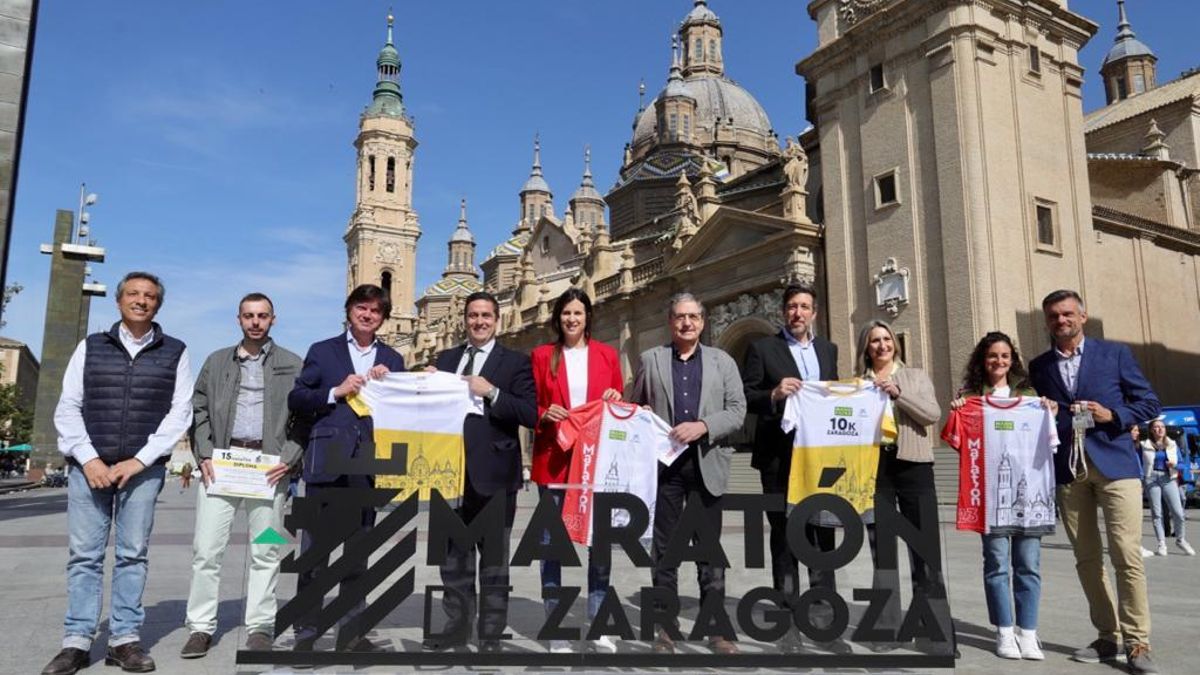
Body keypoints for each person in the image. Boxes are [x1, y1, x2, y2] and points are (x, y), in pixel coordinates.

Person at [42, 272, 193, 675]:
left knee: (132, 556)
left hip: (141, 472)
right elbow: (68, 405)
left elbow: (179, 414)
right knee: (85, 557)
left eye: (149, 296)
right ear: (119, 300)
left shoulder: (175, 351)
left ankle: (124, 640)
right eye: (133, 294)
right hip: (87, 469)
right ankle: (75, 642)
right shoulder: (90, 347)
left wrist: (139, 460)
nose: (141, 301)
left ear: (158, 304)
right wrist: (89, 459)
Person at [1029, 289, 1161, 674]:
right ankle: (1107, 635)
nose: (1061, 321)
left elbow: (1148, 402)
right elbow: (1031, 411)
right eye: (1053, 316)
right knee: (1086, 559)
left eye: (1067, 314)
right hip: (1070, 471)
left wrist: (1112, 415)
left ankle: (1138, 642)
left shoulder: (1114, 354)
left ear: (1082, 317)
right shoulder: (1040, 367)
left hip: (1116, 465)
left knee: (1126, 554)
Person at [180, 293, 303, 658]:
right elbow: (198, 408)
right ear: (239, 319)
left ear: (272, 320)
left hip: (267, 472)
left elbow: (304, 417)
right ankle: (200, 626)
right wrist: (203, 454)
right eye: (249, 315)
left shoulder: (291, 364)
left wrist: (290, 456)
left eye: (262, 316)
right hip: (222, 468)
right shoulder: (218, 361)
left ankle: (261, 626)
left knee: (266, 548)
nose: (255, 322)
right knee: (207, 550)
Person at [287, 284, 405, 653]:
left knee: (357, 554)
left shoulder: (394, 358)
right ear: (349, 310)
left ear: (383, 318)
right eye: (361, 308)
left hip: (367, 465)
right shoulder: (323, 351)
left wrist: (399, 383)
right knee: (315, 554)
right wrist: (334, 392)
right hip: (326, 463)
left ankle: (352, 631)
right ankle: (306, 632)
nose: (367, 315)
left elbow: (404, 410)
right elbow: (297, 398)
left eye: (375, 311)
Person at [629, 292, 747, 656]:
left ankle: (717, 630)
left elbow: (738, 411)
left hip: (707, 464)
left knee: (709, 551)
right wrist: (639, 410)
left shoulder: (722, 361)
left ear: (703, 321)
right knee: (664, 551)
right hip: (665, 470)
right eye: (680, 317)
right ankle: (665, 628)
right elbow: (632, 406)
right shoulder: (651, 359)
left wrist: (702, 426)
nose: (687, 323)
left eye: (693, 316)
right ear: (670, 321)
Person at [425, 291, 537, 652]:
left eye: (486, 316)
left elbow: (529, 413)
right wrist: (427, 384)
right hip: (449, 473)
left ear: (497, 320)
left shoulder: (515, 362)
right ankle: (457, 628)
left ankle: (490, 634)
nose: (479, 322)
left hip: (495, 475)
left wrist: (492, 392)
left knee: (494, 561)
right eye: (473, 315)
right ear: (465, 319)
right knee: (453, 561)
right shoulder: (445, 359)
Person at [740, 283, 847, 654]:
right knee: (785, 539)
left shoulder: (828, 350)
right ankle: (788, 625)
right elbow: (746, 397)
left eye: (804, 306)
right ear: (783, 312)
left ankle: (825, 623)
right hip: (778, 459)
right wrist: (773, 394)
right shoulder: (762, 349)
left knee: (822, 538)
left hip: (821, 461)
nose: (797, 313)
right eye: (791, 307)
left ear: (814, 312)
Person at [949, 331, 1057, 660]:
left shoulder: (1030, 396)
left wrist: (1048, 408)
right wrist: (958, 409)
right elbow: (957, 441)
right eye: (993, 355)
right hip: (989, 499)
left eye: (1005, 356)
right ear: (983, 360)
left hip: (1029, 495)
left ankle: (1029, 632)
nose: (999, 361)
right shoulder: (970, 397)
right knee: (996, 564)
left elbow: (1049, 434)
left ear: (1013, 360)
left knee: (1029, 565)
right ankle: (1005, 632)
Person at [530, 288, 623, 653]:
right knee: (553, 547)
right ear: (558, 318)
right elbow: (531, 402)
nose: (572, 319)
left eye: (578, 313)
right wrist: (542, 413)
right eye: (566, 313)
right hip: (554, 460)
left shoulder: (607, 355)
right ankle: (555, 626)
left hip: (596, 462)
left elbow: (618, 399)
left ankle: (598, 623)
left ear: (588, 317)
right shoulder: (541, 357)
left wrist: (617, 397)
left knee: (600, 545)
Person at [857, 320, 947, 652]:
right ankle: (885, 629)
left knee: (925, 550)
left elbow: (931, 414)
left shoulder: (916, 376)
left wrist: (899, 394)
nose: (882, 345)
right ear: (866, 348)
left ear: (895, 343)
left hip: (914, 467)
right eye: (874, 341)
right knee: (884, 553)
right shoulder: (858, 383)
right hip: (874, 469)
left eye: (886, 339)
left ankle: (934, 630)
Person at [1141, 419, 1194, 557]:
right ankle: (1161, 543)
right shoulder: (1144, 445)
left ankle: (1181, 539)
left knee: (1178, 512)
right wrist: (1142, 479)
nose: (1160, 429)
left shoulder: (1172, 445)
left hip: (1168, 478)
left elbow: (1183, 465)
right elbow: (1140, 464)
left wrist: (1174, 465)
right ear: (1151, 430)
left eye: (1162, 427)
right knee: (1157, 514)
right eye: (1156, 427)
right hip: (1151, 478)